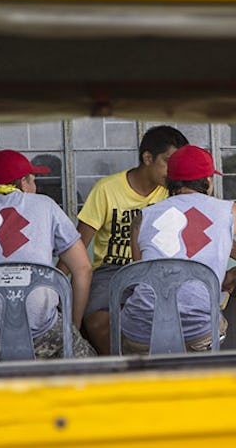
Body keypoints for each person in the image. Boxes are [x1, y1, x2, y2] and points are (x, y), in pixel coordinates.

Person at [120, 145, 236, 354]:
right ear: (208, 181)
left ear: (170, 180)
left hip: (140, 331)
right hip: (197, 332)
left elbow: (141, 276)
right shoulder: (230, 212)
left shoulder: (143, 218)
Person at [0, 149, 96, 362]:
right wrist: (71, 327)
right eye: (33, 181)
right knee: (93, 365)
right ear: (22, 183)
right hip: (40, 336)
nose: (35, 187)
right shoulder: (45, 205)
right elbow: (83, 269)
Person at [75, 125, 189, 354]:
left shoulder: (175, 192)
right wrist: (55, 279)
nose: (173, 171)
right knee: (97, 321)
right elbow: (77, 244)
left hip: (159, 269)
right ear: (148, 157)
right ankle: (122, 372)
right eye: (168, 162)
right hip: (111, 270)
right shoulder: (107, 189)